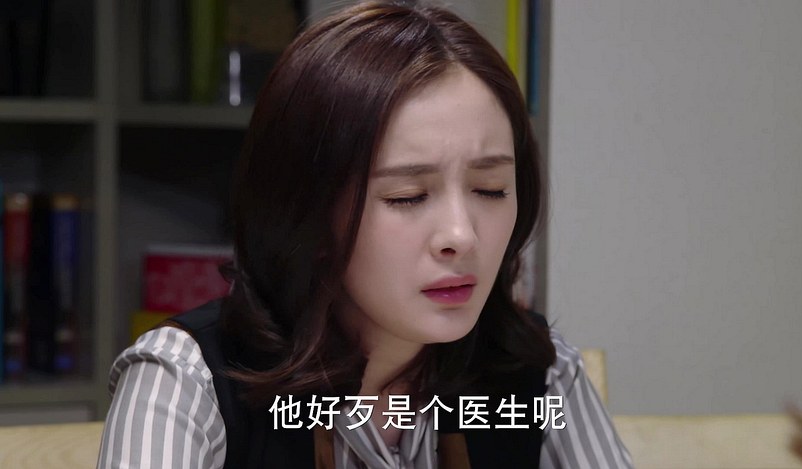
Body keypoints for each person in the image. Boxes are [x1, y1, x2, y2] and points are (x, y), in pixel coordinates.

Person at [97, 1, 633, 467]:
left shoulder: (538, 371)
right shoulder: (188, 380)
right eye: (407, 196)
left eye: (490, 189)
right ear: (306, 209)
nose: (461, 235)